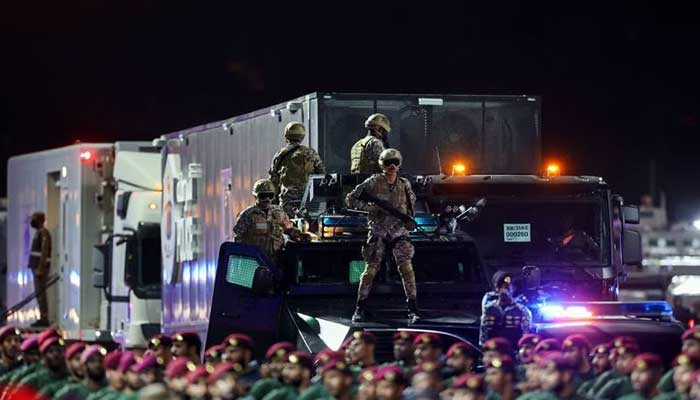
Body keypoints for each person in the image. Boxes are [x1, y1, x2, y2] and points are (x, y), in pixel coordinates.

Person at [346, 148, 420, 322]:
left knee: (407, 271)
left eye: (395, 162)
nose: (392, 166)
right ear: (382, 164)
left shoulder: (404, 184)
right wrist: (371, 209)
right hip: (378, 231)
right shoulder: (373, 182)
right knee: (369, 271)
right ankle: (359, 308)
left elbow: (410, 205)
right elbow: (351, 199)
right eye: (388, 163)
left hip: (399, 232)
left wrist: (410, 220)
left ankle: (413, 309)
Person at [233, 179, 310, 266]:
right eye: (263, 196)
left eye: (270, 195)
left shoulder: (279, 213)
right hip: (254, 263)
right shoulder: (247, 215)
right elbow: (238, 239)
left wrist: (299, 235)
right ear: (255, 196)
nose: (267, 199)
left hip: (276, 263)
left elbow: (289, 230)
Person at [269, 122, 325, 217]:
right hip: (307, 201)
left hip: (287, 201)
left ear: (286, 135)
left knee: (287, 227)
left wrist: (273, 204)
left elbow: (273, 180)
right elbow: (322, 175)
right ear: (302, 136)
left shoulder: (280, 155)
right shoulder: (310, 153)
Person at [480, 271, 532, 346]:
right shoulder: (488, 309)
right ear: (496, 289)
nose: (503, 290)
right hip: (494, 352)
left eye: (507, 287)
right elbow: (483, 337)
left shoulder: (522, 311)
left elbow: (526, 337)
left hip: (513, 353)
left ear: (513, 289)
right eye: (500, 287)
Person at [28, 211, 52, 326]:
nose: (32, 221)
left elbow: (44, 252)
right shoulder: (39, 233)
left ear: (40, 220)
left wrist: (40, 268)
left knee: (41, 293)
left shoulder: (43, 233)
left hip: (40, 269)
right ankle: (42, 316)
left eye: (34, 219)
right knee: (39, 293)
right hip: (36, 267)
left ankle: (44, 318)